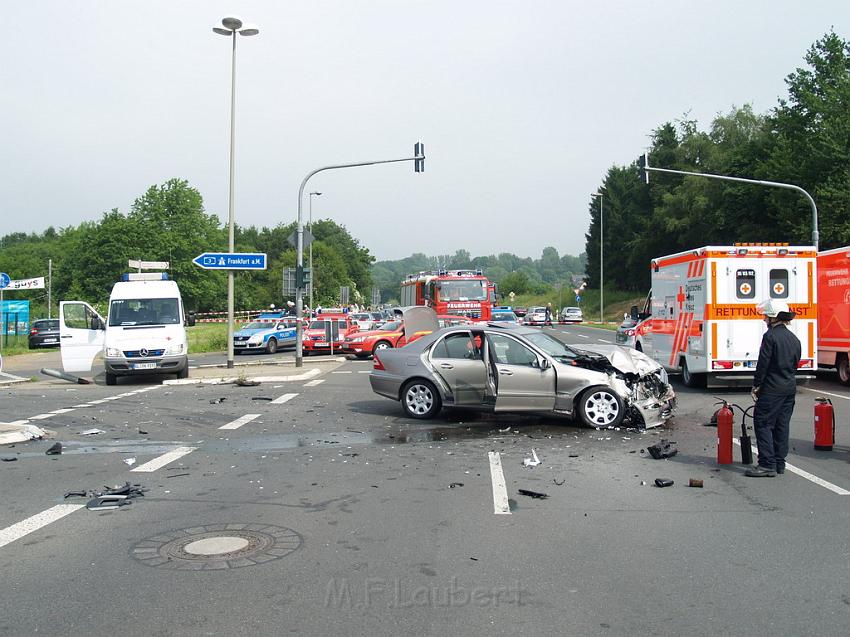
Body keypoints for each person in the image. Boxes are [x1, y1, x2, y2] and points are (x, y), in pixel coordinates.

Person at [746, 299, 801, 477]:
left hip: (771, 389)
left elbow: (763, 365)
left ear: (773, 318)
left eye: (766, 316)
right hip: (789, 389)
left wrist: (756, 385)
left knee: (763, 423)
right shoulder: (794, 339)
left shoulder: (770, 337)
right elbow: (795, 364)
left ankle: (766, 464)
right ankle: (779, 463)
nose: (764, 320)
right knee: (782, 426)